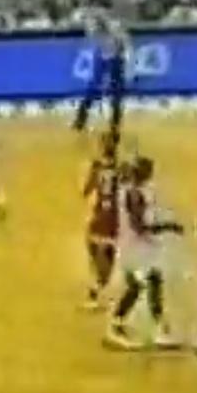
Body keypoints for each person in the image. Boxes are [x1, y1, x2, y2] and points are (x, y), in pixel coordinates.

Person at [106, 156, 185, 350]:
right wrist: (168, 227)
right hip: (135, 247)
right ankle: (120, 325)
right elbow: (139, 226)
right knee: (142, 285)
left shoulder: (132, 190)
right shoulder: (134, 194)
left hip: (135, 245)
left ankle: (129, 325)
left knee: (146, 284)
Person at [82, 130, 123, 309]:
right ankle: (95, 291)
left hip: (100, 217)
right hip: (113, 219)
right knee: (106, 263)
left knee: (96, 255)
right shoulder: (121, 169)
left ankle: (94, 292)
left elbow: (86, 191)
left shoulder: (96, 166)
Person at [74, 10, 129, 135]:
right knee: (92, 90)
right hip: (102, 58)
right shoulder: (95, 31)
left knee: (116, 93)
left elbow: (124, 43)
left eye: (92, 24)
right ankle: (80, 121)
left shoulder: (114, 30)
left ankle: (115, 124)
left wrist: (123, 57)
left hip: (115, 60)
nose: (90, 27)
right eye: (89, 24)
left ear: (100, 23)